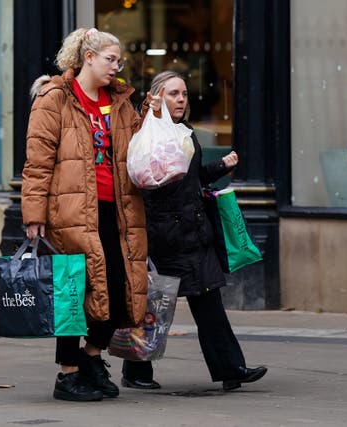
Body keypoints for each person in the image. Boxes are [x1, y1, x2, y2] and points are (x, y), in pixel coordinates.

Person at [21, 28, 161, 402]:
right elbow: (38, 161)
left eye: (119, 61)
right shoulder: (54, 98)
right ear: (88, 57)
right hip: (69, 211)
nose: (117, 67)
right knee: (73, 292)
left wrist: (151, 114)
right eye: (111, 59)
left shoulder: (120, 101)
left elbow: (139, 150)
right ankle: (67, 375)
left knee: (118, 289)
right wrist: (33, 213)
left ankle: (92, 358)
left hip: (116, 210)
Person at [121, 71, 268, 392]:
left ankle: (231, 369)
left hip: (195, 233)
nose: (181, 99)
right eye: (174, 94)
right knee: (153, 306)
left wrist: (219, 167)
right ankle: (135, 370)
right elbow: (144, 183)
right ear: (157, 97)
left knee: (209, 304)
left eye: (184, 94)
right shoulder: (146, 135)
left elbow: (191, 178)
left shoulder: (185, 132)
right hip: (165, 236)